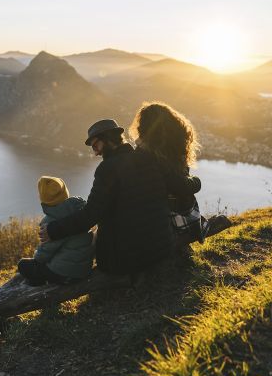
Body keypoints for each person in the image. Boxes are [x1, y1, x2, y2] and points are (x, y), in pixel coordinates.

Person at [40, 118, 176, 276]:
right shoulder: (149, 158)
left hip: (124, 260)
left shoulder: (108, 169)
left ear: (108, 140)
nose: (96, 152)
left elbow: (90, 215)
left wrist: (53, 230)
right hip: (161, 248)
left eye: (96, 146)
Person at [129, 102, 206, 244]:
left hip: (150, 218)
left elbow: (177, 184)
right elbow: (182, 185)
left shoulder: (144, 153)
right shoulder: (165, 154)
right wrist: (197, 181)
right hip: (170, 218)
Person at [17, 176, 94, 286]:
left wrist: (36, 259)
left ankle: (40, 282)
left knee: (23, 264)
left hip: (65, 273)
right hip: (83, 268)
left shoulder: (52, 222)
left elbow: (45, 253)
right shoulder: (80, 211)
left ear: (43, 198)